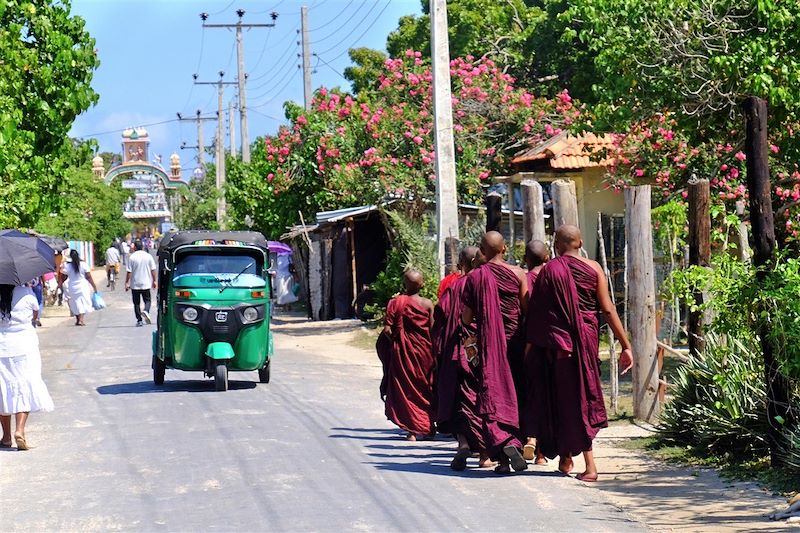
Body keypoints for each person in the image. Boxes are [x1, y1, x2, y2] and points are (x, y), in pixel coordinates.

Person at [524, 225, 633, 481]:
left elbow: (538, 315)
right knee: (581, 400)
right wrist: (625, 344)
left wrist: (530, 348)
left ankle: (579, 462)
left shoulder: (549, 270)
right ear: (581, 242)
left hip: (559, 348)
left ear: (556, 245)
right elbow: (607, 309)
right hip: (585, 345)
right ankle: (575, 460)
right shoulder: (594, 268)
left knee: (563, 401)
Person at [460, 231, 529, 474]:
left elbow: (467, 317)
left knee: (492, 394)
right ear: (505, 248)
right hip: (515, 344)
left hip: (490, 346)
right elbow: (526, 310)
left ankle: (502, 457)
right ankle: (515, 442)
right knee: (515, 394)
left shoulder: (474, 277)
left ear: (482, 250)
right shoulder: (518, 273)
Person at [432, 246, 495, 470]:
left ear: (462, 263)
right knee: (481, 397)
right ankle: (485, 455)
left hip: (459, 350)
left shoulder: (455, 287)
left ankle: (464, 444)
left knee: (460, 399)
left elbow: (440, 316)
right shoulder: (488, 284)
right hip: (486, 349)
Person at [376, 270, 435, 441]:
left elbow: (387, 329)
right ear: (422, 284)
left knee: (406, 390)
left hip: (403, 354)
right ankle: (428, 426)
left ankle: (411, 431)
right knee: (425, 388)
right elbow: (433, 330)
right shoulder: (428, 304)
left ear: (404, 284)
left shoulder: (395, 303)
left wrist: (397, 340)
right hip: (425, 353)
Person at [0, 284, 54, 450]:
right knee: (25, 384)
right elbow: (35, 315)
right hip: (24, 345)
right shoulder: (25, 292)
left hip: (2, 346)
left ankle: (6, 436)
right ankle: (20, 431)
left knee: (3, 389)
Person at [522, 239, 550, 462]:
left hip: (529, 341)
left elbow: (522, 310)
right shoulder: (555, 276)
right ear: (547, 257)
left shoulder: (523, 278)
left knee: (530, 393)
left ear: (525, 259)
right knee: (549, 394)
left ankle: (530, 438)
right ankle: (542, 453)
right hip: (553, 342)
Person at [59, 249, 97, 326]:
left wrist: (60, 284)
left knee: (75, 303)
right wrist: (94, 286)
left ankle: (78, 319)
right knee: (83, 302)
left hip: (72, 287)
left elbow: (63, 276)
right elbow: (88, 277)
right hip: (83, 286)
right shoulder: (84, 265)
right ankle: (81, 320)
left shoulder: (68, 266)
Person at [126, 239, 157, 327]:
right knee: (147, 300)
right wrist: (154, 281)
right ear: (143, 247)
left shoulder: (132, 257)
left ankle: (139, 320)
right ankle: (146, 311)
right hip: (146, 283)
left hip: (135, 284)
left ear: (134, 247)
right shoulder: (148, 256)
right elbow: (153, 270)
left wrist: (127, 283)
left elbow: (129, 272)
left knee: (136, 303)